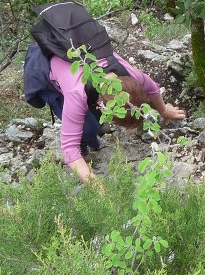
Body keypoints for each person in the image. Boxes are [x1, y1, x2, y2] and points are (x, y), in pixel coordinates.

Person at [23, 41, 185, 185]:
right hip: (43, 66)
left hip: (76, 61)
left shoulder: (133, 77)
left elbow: (153, 89)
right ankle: (86, 142)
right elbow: (68, 149)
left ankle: (95, 127)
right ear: (103, 106)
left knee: (91, 121)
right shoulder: (76, 93)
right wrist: (96, 185)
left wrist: (164, 110)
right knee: (86, 128)